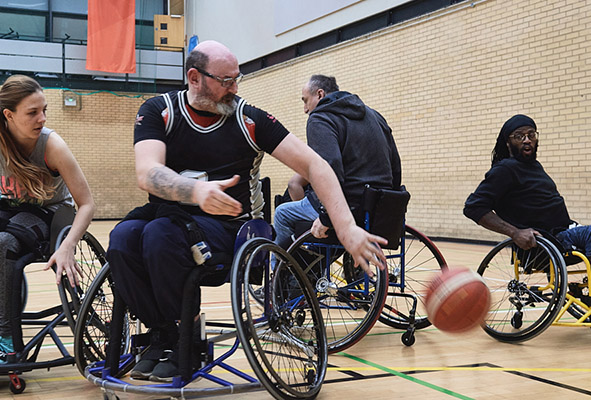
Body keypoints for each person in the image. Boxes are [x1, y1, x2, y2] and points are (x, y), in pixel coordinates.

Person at [107, 42, 388, 382]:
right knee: (122, 238)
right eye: (225, 81)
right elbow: (146, 172)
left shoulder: (250, 119)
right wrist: (196, 191)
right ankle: (163, 333)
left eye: (237, 79)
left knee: (159, 236)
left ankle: (188, 335)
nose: (234, 88)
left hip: (230, 229)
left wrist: (346, 227)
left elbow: (317, 166)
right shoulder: (159, 111)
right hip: (169, 216)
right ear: (194, 77)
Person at [0, 75, 95, 366]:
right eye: (33, 112)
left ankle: (7, 337)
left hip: (50, 213)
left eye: (44, 110)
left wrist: (68, 245)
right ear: (9, 115)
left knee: (0, 242)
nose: (42, 118)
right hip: (10, 207)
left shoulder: (52, 145)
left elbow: (87, 203)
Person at [463, 114, 591, 321]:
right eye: (519, 136)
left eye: (531, 134)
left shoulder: (535, 166)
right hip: (541, 243)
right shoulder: (504, 169)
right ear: (508, 142)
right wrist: (514, 232)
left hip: (561, 235)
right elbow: (473, 207)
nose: (527, 139)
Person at [272, 74, 402, 249]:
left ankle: (286, 273)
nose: (305, 109)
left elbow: (329, 167)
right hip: (379, 209)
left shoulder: (320, 118)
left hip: (347, 207)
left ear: (320, 94)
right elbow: (395, 165)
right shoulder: (375, 116)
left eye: (305, 101)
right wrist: (390, 201)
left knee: (282, 213)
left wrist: (327, 216)